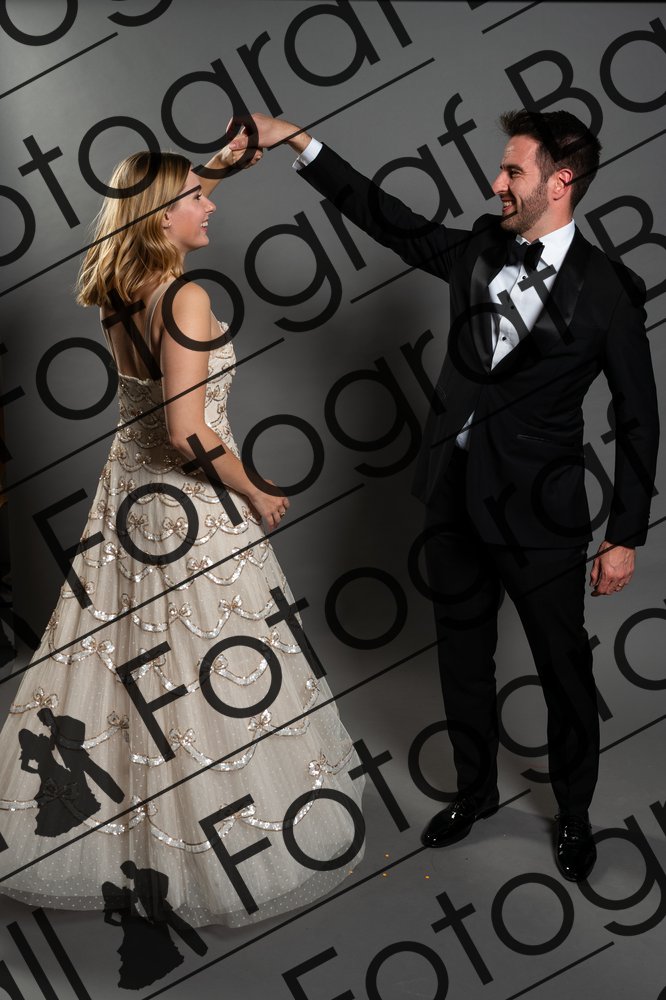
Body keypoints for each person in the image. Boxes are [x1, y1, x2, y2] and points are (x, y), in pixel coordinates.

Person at [232, 109, 660, 882]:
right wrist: (299, 141)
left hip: (541, 518)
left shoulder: (609, 294)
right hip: (453, 498)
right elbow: (390, 221)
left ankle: (573, 812)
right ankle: (474, 793)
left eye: (513, 171)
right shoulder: (479, 250)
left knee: (564, 672)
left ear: (561, 182)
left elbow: (639, 417)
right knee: (463, 660)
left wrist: (625, 533)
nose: (496, 183)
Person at [0, 138, 365, 927]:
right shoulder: (186, 296)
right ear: (163, 214)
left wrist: (232, 154)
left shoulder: (118, 289)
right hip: (188, 503)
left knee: (130, 660)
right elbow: (187, 429)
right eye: (196, 197)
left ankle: (125, 834)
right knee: (206, 664)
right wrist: (256, 488)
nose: (211, 205)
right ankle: (209, 852)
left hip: (127, 495)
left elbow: (151, 412)